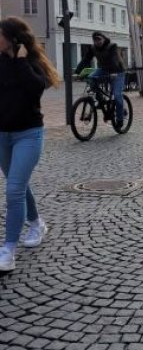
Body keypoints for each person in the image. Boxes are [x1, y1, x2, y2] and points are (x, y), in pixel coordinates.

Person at [0, 17, 59, 271]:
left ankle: (8, 249)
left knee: (13, 190)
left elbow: (36, 89)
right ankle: (36, 223)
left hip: (28, 134)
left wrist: (22, 61)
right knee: (19, 186)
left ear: (13, 39)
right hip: (2, 135)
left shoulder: (31, 62)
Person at [75, 31, 126, 128]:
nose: (97, 42)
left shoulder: (112, 46)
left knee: (117, 94)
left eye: (99, 39)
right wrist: (77, 72)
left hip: (117, 71)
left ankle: (120, 119)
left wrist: (114, 72)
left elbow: (114, 59)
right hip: (103, 69)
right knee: (91, 78)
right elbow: (86, 60)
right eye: (95, 40)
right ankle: (101, 99)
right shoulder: (93, 48)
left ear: (104, 38)